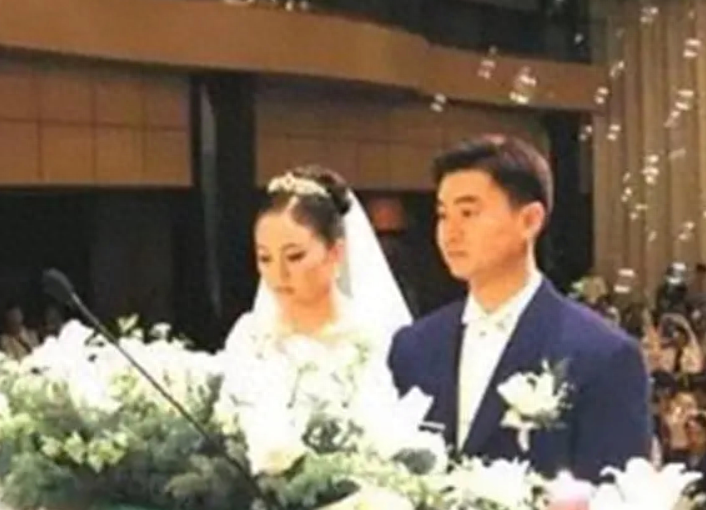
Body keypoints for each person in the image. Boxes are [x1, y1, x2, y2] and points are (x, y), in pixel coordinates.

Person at [388, 135, 651, 481]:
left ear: (529, 220)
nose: (450, 233)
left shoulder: (603, 354)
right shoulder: (414, 346)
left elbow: (617, 492)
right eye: (442, 215)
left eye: (468, 213)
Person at [221, 165, 412, 410]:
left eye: (294, 256)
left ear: (335, 252)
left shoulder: (371, 338)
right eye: (265, 258)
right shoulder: (250, 336)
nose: (278, 274)